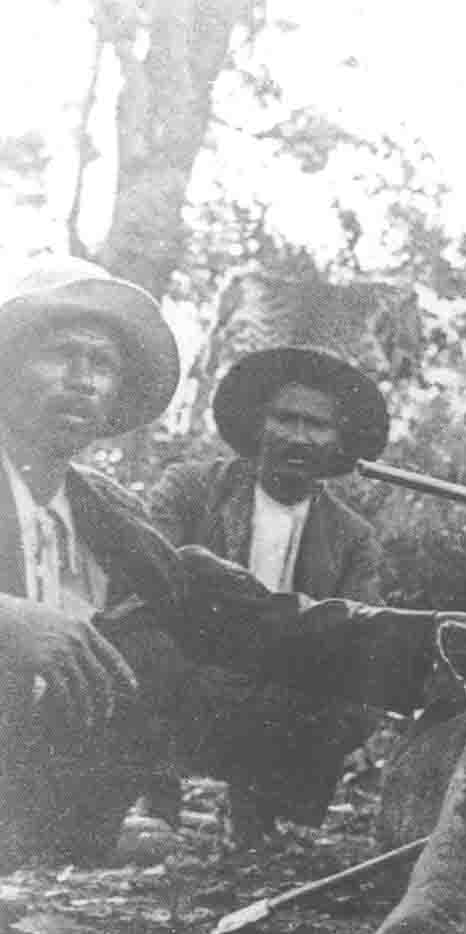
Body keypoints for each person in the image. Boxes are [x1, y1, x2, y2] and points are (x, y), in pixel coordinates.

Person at [0, 257, 448, 869]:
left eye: (102, 364)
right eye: (59, 354)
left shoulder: (109, 515)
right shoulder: (193, 489)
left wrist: (444, 651)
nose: (82, 379)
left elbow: (259, 621)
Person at [147, 341, 389, 838]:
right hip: (192, 670)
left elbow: (364, 631)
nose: (299, 437)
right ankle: (153, 798)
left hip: (286, 690)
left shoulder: (352, 537)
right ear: (259, 425)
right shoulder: (193, 488)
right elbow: (146, 575)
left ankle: (271, 815)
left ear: (338, 443)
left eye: (317, 426)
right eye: (286, 418)